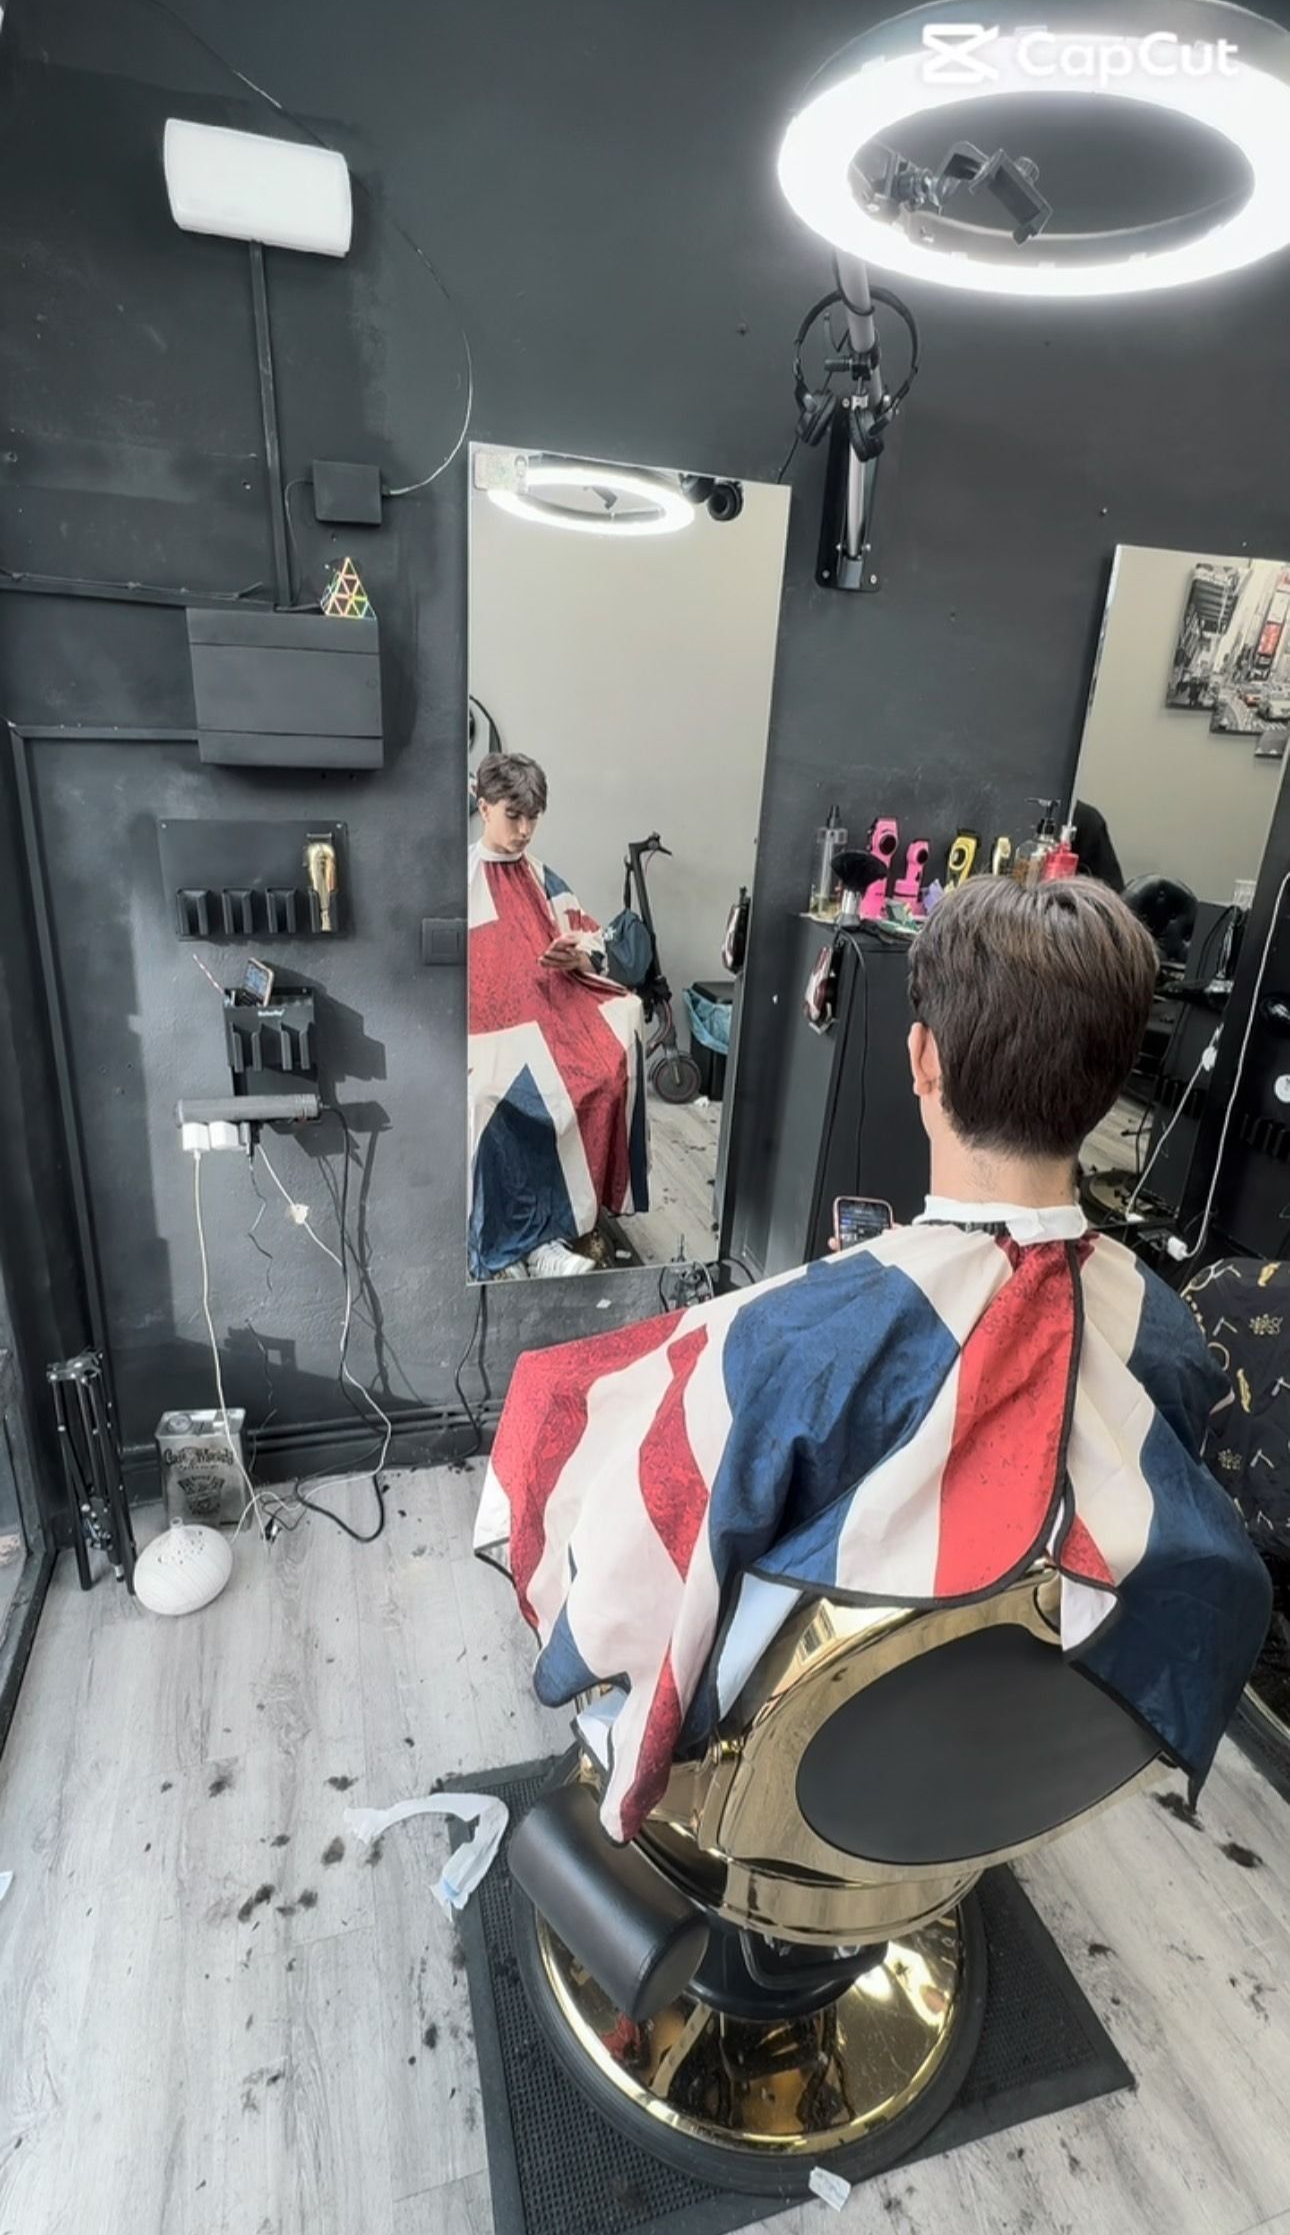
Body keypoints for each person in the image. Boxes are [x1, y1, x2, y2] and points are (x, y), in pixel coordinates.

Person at [475, 876, 1269, 1840]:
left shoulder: (792, 1347)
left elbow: (618, 1581)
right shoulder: (1170, 1332)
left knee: (557, 1401)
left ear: (921, 1057)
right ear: (1111, 1083)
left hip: (780, 1789)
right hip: (997, 1772)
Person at [468, 752, 649, 1280]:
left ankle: (562, 1228)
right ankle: (513, 1240)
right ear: (484, 808)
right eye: (513, 816)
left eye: (533, 818)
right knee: (491, 1097)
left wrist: (578, 954)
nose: (525, 831)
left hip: (552, 1013)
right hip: (486, 1028)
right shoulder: (459, 882)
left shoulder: (543, 878)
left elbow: (590, 935)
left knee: (607, 1075)